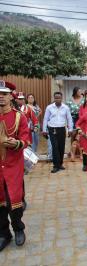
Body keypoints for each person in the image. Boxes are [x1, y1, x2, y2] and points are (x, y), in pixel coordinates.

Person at [0, 80, 30, 251]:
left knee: (14, 201)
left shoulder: (19, 117)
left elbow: (26, 139)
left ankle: (18, 228)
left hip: (13, 166)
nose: (1, 97)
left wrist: (17, 143)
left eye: (4, 94)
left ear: (11, 96)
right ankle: (4, 233)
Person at [42, 92, 73, 173]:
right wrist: (44, 130)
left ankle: (60, 164)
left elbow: (69, 119)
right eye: (56, 98)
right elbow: (45, 119)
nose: (57, 99)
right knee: (54, 147)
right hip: (52, 129)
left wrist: (70, 129)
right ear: (54, 98)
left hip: (62, 129)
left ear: (61, 98)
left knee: (61, 147)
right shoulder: (49, 107)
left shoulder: (65, 108)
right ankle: (56, 166)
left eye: (59, 98)